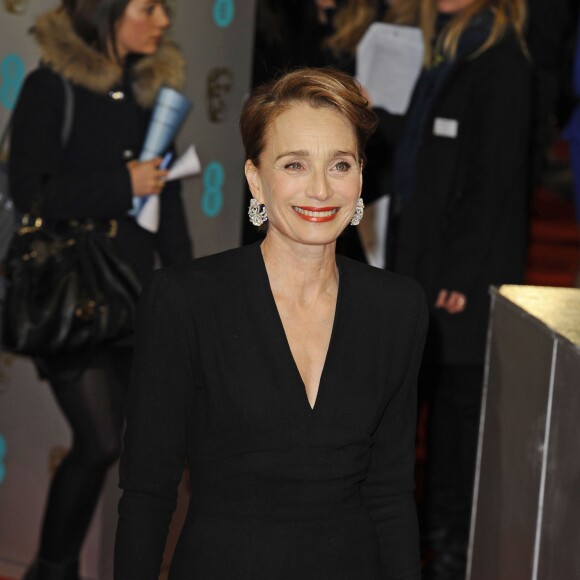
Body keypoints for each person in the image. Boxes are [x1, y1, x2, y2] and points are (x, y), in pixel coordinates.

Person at [115, 67, 428, 579]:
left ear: (362, 176)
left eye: (341, 164)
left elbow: (391, 493)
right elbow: (148, 491)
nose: (321, 189)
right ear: (256, 178)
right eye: (295, 164)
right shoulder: (186, 300)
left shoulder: (397, 308)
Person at [8, 1, 192, 578]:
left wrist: (186, 285)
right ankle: (53, 567)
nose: (163, 20)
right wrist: (121, 184)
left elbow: (171, 200)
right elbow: (30, 193)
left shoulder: (147, 91)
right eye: (148, 7)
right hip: (72, 295)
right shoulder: (49, 86)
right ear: (104, 12)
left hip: (134, 296)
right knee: (100, 441)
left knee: (133, 448)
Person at [385, 0, 531, 578]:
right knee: (420, 412)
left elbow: (493, 181)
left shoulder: (501, 62)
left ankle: (449, 558)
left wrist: (460, 279)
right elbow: (427, 155)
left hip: (458, 282)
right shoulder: (450, 50)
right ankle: (414, 544)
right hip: (426, 268)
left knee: (455, 426)